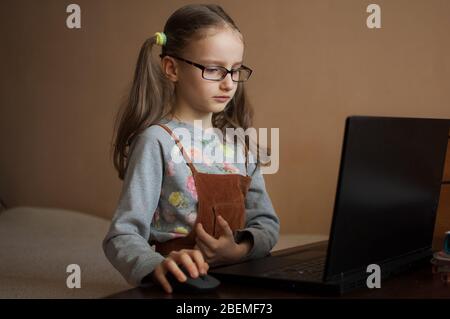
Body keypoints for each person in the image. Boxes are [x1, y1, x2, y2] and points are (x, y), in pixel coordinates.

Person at [102, 3, 280, 294]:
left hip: (245, 281)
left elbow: (266, 223)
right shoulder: (157, 141)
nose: (228, 83)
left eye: (235, 70)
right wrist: (153, 264)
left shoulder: (241, 146)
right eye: (213, 69)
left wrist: (239, 250)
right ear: (172, 68)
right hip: (185, 284)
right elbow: (122, 236)